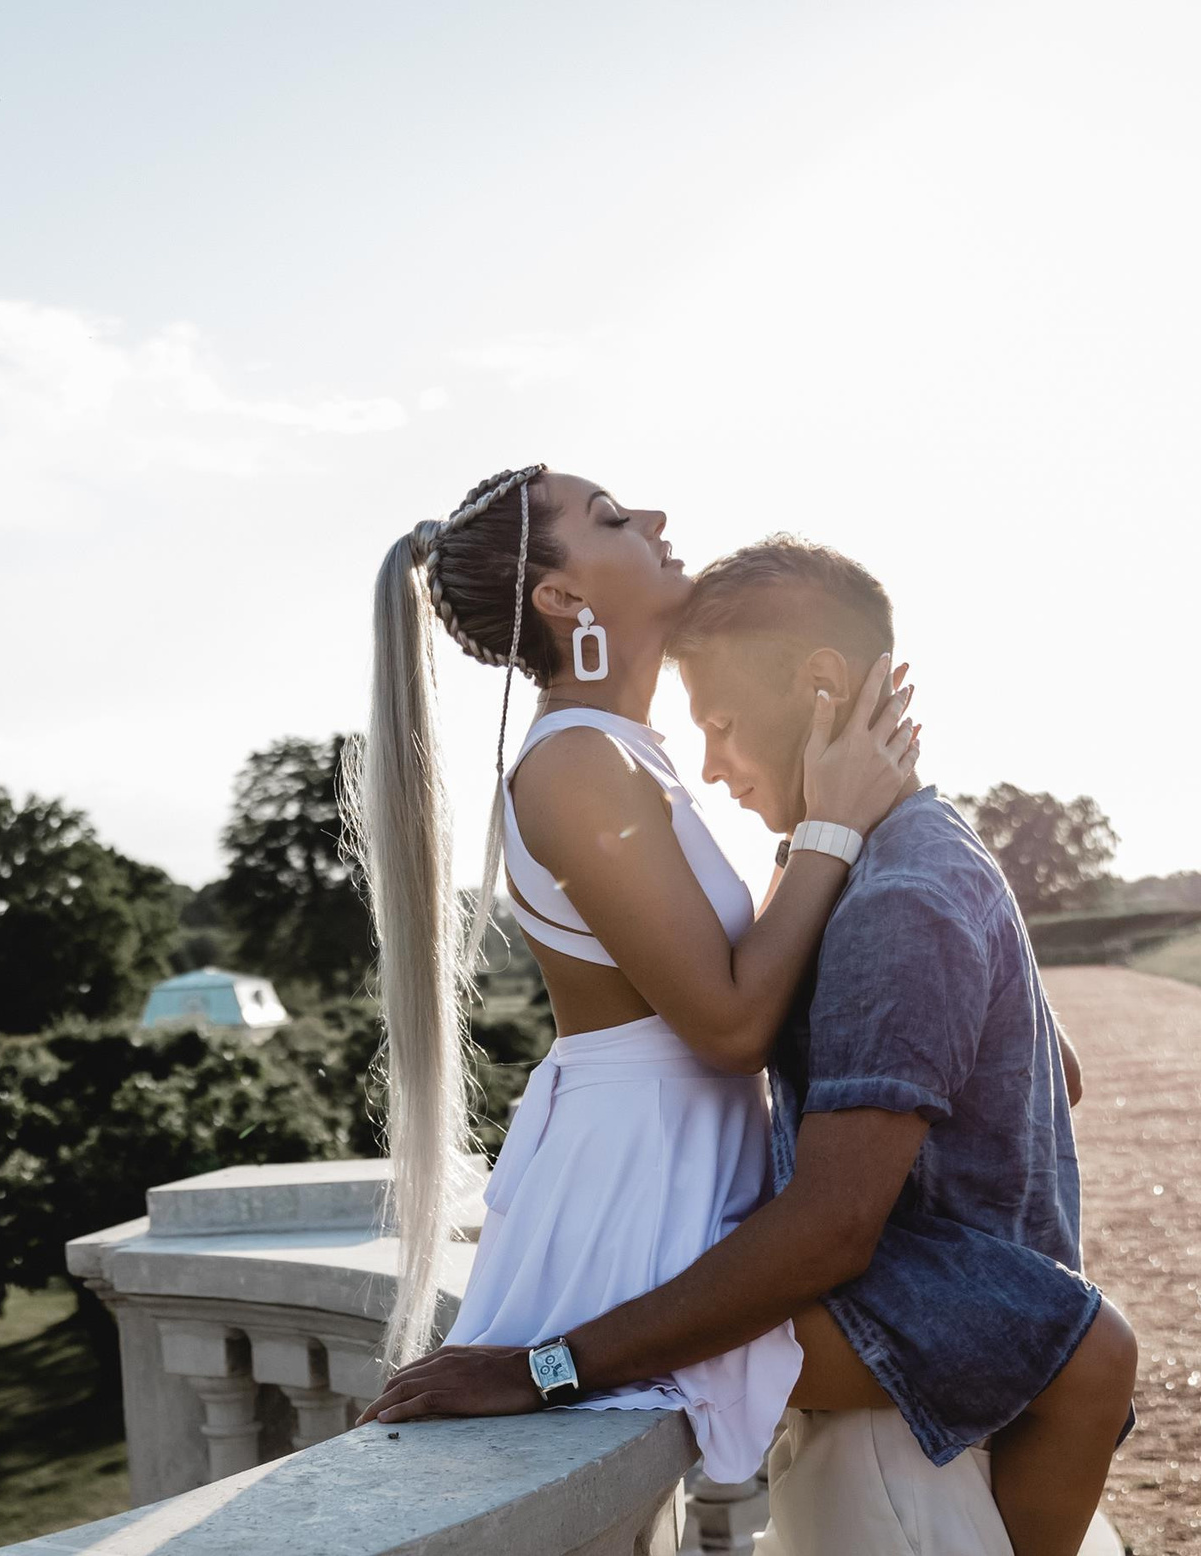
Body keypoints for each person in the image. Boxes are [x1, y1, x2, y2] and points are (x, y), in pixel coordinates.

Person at [360, 535, 1140, 1556]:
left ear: (821, 683)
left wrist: (541, 1368)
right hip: (923, 1389)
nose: (713, 762)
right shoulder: (914, 853)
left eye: (721, 724)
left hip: (900, 1418)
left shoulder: (896, 892)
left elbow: (831, 1231)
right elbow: (1055, 1073)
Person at [339, 467, 923, 1485]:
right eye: (609, 519)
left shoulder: (627, 754)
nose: (653, 520)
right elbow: (731, 1023)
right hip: (633, 1182)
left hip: (677, 1157)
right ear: (562, 600)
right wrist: (828, 826)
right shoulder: (574, 765)